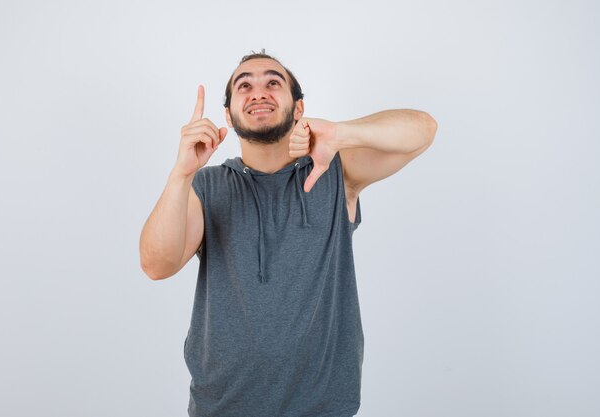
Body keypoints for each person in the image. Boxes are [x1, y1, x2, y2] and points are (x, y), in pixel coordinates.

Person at [139, 50, 437, 417]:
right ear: (229, 116)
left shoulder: (334, 172)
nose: (258, 92)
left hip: (323, 408)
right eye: (244, 85)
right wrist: (180, 174)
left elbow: (423, 130)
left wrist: (342, 133)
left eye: (273, 83)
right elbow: (156, 264)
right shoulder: (206, 185)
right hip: (222, 407)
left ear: (298, 109)